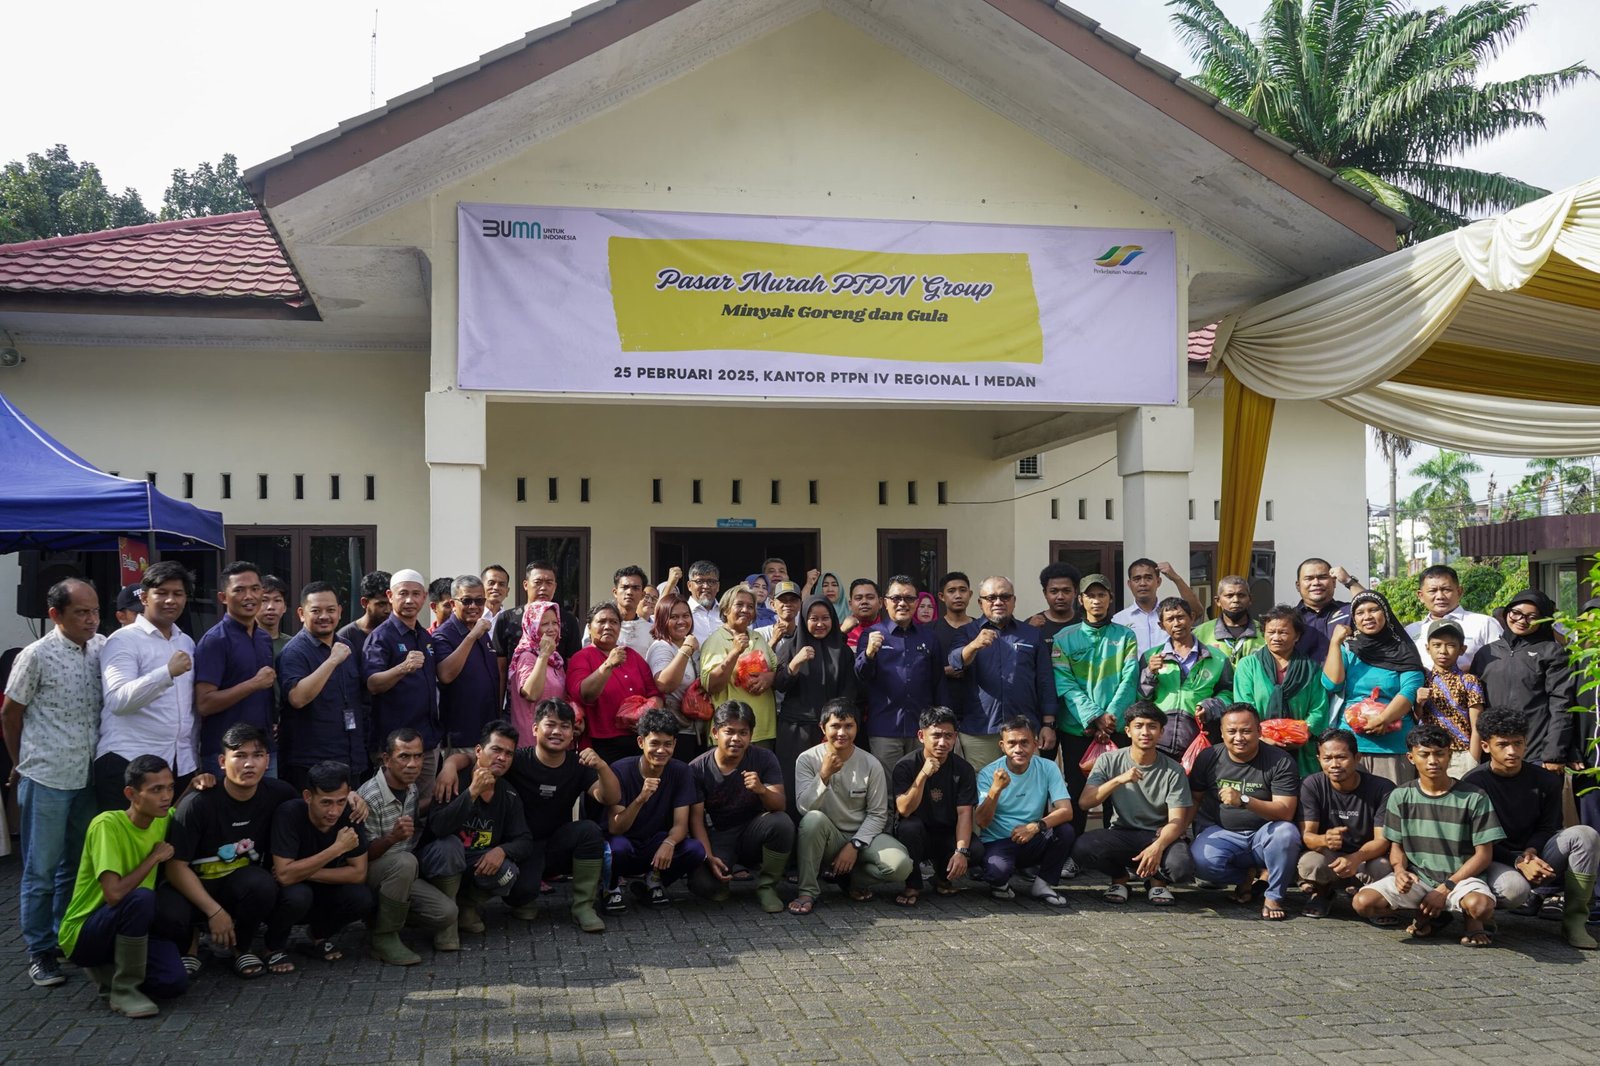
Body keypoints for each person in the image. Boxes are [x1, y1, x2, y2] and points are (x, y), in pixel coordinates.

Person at [3, 577, 106, 987]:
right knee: (40, 870)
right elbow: (10, 713)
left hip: (88, 777)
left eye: (95, 611)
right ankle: (40, 950)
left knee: (76, 866)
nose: (91, 620)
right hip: (46, 775)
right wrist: (20, 763)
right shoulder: (35, 655)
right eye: (81, 613)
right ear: (55, 615)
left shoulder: (101, 648)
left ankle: (65, 934)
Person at [157, 723, 304, 978]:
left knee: (262, 885)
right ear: (222, 762)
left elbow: (314, 806)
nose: (249, 764)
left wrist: (351, 799)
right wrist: (215, 912)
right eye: (240, 756)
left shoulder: (279, 793)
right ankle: (189, 947)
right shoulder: (197, 803)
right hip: (195, 887)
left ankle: (241, 948)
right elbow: (175, 868)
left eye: (257, 755)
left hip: (238, 885)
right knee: (168, 909)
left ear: (267, 760)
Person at [58, 755, 194, 1017]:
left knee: (173, 983)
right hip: (84, 932)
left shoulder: (160, 818)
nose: (166, 796)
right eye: (156, 790)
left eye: (170, 788)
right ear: (131, 794)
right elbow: (114, 894)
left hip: (130, 924)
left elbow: (177, 809)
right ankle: (124, 990)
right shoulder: (106, 824)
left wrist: (194, 785)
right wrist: (153, 858)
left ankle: (108, 969)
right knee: (141, 898)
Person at [1352, 724, 1500, 946]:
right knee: (1363, 903)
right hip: (1419, 877)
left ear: (1449, 755)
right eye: (1424, 754)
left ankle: (1471, 921)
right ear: (1411, 758)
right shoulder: (1400, 795)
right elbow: (1397, 847)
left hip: (1461, 880)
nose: (1433, 761)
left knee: (1481, 907)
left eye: (1439, 754)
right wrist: (1400, 871)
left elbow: (1483, 856)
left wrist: (1445, 888)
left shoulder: (1474, 797)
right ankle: (1432, 914)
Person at [1463, 708, 1599, 948]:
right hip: (1494, 858)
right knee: (1515, 891)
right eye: (1503, 744)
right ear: (1486, 746)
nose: (1512, 751)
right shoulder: (1473, 784)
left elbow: (1549, 827)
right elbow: (1475, 842)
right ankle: (1484, 913)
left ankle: (1575, 921)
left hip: (1536, 854)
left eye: (1518, 743)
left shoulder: (1546, 780)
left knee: (1585, 835)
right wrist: (1518, 861)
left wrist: (1531, 852)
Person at [789, 699, 912, 914]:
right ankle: (807, 891)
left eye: (848, 726)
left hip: (864, 837)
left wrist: (854, 845)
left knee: (901, 866)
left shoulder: (871, 763)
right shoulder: (807, 759)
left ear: (857, 727)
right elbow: (804, 808)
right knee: (812, 820)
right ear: (823, 728)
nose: (842, 733)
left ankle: (850, 881)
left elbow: (877, 814)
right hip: (827, 837)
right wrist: (824, 775)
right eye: (835, 726)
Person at [96, 561, 199, 811]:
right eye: (161, 593)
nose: (170, 600)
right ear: (144, 597)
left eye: (178, 593)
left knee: (170, 836)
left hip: (178, 764)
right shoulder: (123, 640)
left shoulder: (186, 642)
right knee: (124, 836)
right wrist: (166, 673)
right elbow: (117, 700)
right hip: (128, 763)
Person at [420, 720, 538, 936]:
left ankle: (466, 906)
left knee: (508, 872)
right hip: (440, 863)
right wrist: (471, 793)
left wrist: (502, 851)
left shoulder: (509, 794)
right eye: (496, 750)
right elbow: (438, 827)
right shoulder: (452, 780)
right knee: (448, 846)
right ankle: (446, 924)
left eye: (508, 754)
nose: (502, 757)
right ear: (478, 751)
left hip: (475, 863)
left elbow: (524, 839)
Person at [1072, 701, 1195, 906]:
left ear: (1161, 732)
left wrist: (1157, 847)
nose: (1145, 732)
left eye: (1152, 726)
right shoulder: (1108, 760)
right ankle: (1120, 878)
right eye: (1139, 726)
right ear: (1128, 731)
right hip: (1122, 833)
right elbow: (1085, 803)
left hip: (1157, 834)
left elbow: (1177, 821)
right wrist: (1118, 780)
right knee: (1083, 847)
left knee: (1181, 867)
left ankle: (1157, 881)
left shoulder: (1174, 770)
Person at [1188, 704, 1302, 921]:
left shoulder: (1280, 760)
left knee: (1286, 833)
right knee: (1200, 862)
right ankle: (1245, 877)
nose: (1239, 738)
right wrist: (1174, 830)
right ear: (1222, 733)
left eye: (1246, 731)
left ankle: (1274, 896)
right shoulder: (1209, 757)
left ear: (1259, 731)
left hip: (1264, 834)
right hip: (1222, 831)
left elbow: (1286, 812)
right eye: (1231, 731)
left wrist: (1244, 800)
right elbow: (1194, 799)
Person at [356, 728, 457, 961]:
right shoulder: (369, 797)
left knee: (447, 913)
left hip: (403, 875)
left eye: (418, 756)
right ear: (386, 759)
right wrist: (392, 838)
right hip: (370, 875)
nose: (413, 764)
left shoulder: (410, 787)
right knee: (405, 861)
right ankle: (383, 936)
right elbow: (362, 856)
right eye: (404, 756)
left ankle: (384, 917)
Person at [1051, 572, 1140, 838]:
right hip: (1077, 728)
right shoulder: (1064, 638)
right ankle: (1074, 848)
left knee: (1118, 789)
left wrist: (1110, 716)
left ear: (1110, 598)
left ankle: (1115, 847)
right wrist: (1093, 716)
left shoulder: (1126, 636)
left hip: (1116, 727)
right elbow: (1064, 682)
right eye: (1091, 596)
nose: (1096, 600)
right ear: (1081, 600)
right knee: (1077, 788)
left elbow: (1130, 679)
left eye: (1102, 595)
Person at [687, 701, 793, 912]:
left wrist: (762, 790)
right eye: (729, 732)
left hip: (754, 830)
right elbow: (695, 820)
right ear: (715, 733)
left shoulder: (764, 758)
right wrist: (709, 857)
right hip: (719, 835)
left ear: (751, 735)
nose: (736, 738)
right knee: (704, 885)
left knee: (782, 823)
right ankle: (723, 879)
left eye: (743, 733)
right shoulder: (697, 768)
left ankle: (767, 887)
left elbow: (780, 805)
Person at [269, 760, 374, 963]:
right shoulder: (289, 814)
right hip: (289, 894)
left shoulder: (352, 813)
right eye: (326, 803)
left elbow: (358, 874)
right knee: (298, 896)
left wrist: (300, 872)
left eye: (340, 801)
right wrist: (337, 849)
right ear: (308, 796)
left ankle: (319, 935)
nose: (334, 811)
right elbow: (284, 878)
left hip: (322, 885)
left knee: (362, 898)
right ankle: (272, 946)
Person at [948, 576, 1054, 771]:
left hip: (1024, 729)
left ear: (1014, 601)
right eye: (991, 598)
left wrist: (1048, 724)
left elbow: (1045, 680)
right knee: (984, 786)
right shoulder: (967, 632)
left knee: (1026, 785)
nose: (998, 602)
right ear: (980, 602)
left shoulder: (1031, 634)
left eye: (1005, 597)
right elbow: (955, 662)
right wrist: (974, 645)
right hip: (980, 730)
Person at [605, 709, 707, 911]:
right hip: (625, 841)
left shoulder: (681, 771)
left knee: (695, 850)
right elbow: (616, 828)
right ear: (641, 742)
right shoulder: (619, 770)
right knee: (617, 848)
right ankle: (610, 887)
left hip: (655, 842)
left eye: (667, 744)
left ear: (675, 744)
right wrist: (640, 799)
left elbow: (681, 824)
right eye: (655, 743)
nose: (661, 750)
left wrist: (669, 843)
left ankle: (653, 881)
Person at [1322, 590, 1426, 785]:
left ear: (1385, 613)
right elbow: (1332, 683)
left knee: (1390, 800)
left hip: (1393, 745)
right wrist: (1335, 643)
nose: (1367, 616)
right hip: (1349, 746)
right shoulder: (1348, 648)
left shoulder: (1403, 651)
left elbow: (1409, 690)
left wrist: (1383, 719)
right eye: (1360, 613)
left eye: (1374, 610)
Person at [1470, 589, 1577, 771]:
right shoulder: (1486, 653)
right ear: (1507, 612)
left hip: (1536, 753)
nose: (1522, 620)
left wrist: (1554, 752)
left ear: (1544, 620)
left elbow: (1562, 704)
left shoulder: (1551, 652)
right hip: (1493, 753)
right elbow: (1474, 703)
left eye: (1532, 617)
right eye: (1516, 613)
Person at [773, 595, 858, 820]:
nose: (820, 624)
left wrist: (834, 725)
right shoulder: (792, 647)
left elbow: (849, 692)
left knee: (831, 785)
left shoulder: (843, 651)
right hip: (795, 731)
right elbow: (778, 684)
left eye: (825, 618)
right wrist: (795, 664)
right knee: (794, 786)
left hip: (830, 732)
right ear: (804, 620)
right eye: (813, 619)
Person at [974, 717, 1074, 907]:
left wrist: (1035, 826)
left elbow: (1066, 811)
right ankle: (1000, 884)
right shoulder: (988, 773)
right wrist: (995, 790)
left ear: (1035, 744)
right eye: (1012, 743)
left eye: (1024, 742)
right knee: (997, 873)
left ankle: (1042, 884)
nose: (1018, 749)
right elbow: (981, 822)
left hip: (1032, 837)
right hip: (998, 841)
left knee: (1065, 831)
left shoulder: (1048, 767)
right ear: (1002, 746)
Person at [277, 581, 367, 791]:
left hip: (350, 756)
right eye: (316, 611)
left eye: (331, 610)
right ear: (301, 614)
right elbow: (297, 698)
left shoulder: (345, 646)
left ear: (340, 612)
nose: (324, 616)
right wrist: (332, 661)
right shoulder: (294, 651)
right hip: (312, 763)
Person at [1296, 729, 1395, 918]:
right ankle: (1322, 893)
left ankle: (1369, 898)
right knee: (1310, 863)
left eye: (1341, 757)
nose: (1334, 764)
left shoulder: (1383, 788)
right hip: (1329, 855)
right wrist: (1324, 840)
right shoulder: (1311, 785)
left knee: (1382, 867)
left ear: (1357, 758)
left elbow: (1382, 841)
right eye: (1327, 758)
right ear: (1319, 759)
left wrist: (1356, 858)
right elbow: (1307, 835)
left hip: (1366, 857)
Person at [365, 569, 442, 802]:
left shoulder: (425, 636)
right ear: (390, 596)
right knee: (392, 808)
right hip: (395, 747)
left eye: (416, 594)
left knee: (423, 806)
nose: (409, 600)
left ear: (424, 597)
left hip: (426, 743)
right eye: (403, 593)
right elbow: (372, 684)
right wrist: (403, 667)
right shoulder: (381, 636)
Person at [891, 706, 980, 905]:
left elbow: (965, 813)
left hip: (947, 833)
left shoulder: (963, 769)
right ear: (921, 736)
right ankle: (913, 885)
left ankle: (941, 878)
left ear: (955, 737)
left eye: (948, 736)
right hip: (917, 835)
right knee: (909, 827)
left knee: (975, 849)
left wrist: (961, 852)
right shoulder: (905, 765)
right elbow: (904, 810)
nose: (942, 742)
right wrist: (923, 775)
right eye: (936, 735)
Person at [194, 561, 277, 772]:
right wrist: (253, 684)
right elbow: (204, 703)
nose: (249, 596)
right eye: (239, 590)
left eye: (255, 589)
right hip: (226, 755)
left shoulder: (263, 638)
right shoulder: (214, 641)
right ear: (223, 597)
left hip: (264, 750)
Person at [1230, 605, 1331, 777]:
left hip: (1301, 749)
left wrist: (1301, 734)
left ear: (1297, 636)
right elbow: (1244, 707)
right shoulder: (1248, 665)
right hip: (1258, 745)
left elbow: (1318, 708)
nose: (1276, 637)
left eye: (1283, 632)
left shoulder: (1311, 668)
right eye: (1271, 632)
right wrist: (1263, 737)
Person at [856, 575, 941, 770]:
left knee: (923, 779)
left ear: (916, 602)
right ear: (885, 602)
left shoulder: (929, 637)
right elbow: (861, 677)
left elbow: (938, 682)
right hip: (885, 727)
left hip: (922, 727)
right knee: (887, 784)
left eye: (909, 598)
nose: (902, 603)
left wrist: (941, 723)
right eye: (896, 598)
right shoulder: (871, 634)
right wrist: (869, 654)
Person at [1139, 597, 1232, 763]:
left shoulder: (1217, 658)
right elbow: (1140, 699)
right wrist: (1149, 673)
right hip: (1159, 741)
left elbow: (1228, 694)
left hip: (1201, 739)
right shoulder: (1150, 657)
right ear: (1161, 625)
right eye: (1170, 619)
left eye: (1181, 617)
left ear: (1192, 617)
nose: (1177, 623)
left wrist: (1210, 706)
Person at [568, 602, 663, 764]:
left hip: (638, 739)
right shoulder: (582, 657)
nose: (608, 626)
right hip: (601, 742)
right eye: (601, 621)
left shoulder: (631, 655)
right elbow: (584, 695)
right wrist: (608, 665)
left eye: (613, 622)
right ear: (589, 627)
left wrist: (646, 716)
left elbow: (655, 693)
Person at [700, 586, 777, 751]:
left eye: (750, 606)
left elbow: (777, 668)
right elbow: (711, 685)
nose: (745, 610)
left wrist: (770, 677)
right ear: (726, 610)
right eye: (739, 605)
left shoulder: (758, 637)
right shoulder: (715, 640)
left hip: (763, 730)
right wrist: (735, 652)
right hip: (730, 733)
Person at [492, 560, 583, 697]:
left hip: (556, 701)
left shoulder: (568, 621)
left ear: (555, 586)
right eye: (538, 582)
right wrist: (498, 706)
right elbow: (501, 668)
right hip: (519, 698)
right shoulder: (507, 619)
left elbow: (572, 666)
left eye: (549, 583)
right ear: (525, 585)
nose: (543, 588)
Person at [432, 574, 499, 754]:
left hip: (488, 734)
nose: (473, 606)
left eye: (479, 601)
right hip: (461, 737)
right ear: (453, 604)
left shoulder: (481, 631)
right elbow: (445, 675)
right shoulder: (443, 635)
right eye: (467, 601)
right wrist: (471, 636)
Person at [1414, 619, 1486, 778]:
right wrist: (1418, 703)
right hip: (1427, 752)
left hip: (1461, 754)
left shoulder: (1469, 681)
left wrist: (1473, 759)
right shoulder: (1421, 679)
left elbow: (1477, 723)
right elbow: (1414, 719)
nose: (1443, 651)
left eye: (1451, 645)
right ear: (1427, 648)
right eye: (1437, 645)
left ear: (1462, 649)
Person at [1403, 565, 1502, 668]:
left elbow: (1502, 663)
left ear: (1459, 592)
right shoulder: (1410, 631)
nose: (1440, 596)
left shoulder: (1485, 624)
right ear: (1421, 596)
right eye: (1432, 591)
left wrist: (1470, 673)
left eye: (1446, 590)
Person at [646, 593, 703, 762]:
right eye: (674, 617)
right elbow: (664, 684)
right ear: (662, 620)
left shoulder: (691, 644)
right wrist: (685, 650)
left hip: (695, 730)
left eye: (686, 616)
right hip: (672, 733)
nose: (681, 621)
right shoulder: (662, 647)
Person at [1113, 559, 1203, 655]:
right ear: (1129, 584)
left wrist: (1176, 579)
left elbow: (1197, 611)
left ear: (1158, 581)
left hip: (1171, 664)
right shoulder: (1119, 620)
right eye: (1137, 579)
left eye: (1148, 578)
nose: (1142, 583)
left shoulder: (1171, 614)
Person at [507, 600, 564, 739]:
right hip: (532, 739)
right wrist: (543, 655)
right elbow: (531, 694)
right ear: (531, 627)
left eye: (555, 623)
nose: (552, 628)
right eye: (544, 624)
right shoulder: (527, 656)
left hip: (554, 736)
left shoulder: (555, 658)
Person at [1293, 558, 1363, 663]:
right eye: (1309, 578)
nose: (1316, 583)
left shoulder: (1350, 612)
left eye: (1322, 577)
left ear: (1334, 582)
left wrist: (1349, 581)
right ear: (1298, 586)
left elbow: (1372, 605)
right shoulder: (1290, 619)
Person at [583, 566, 654, 656]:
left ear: (642, 595)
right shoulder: (597, 625)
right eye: (625, 587)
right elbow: (586, 654)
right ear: (615, 592)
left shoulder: (650, 631)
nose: (629, 592)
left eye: (635, 588)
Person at [1194, 576, 1264, 666]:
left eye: (1241, 595)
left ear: (1250, 599)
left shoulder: (1265, 631)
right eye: (1229, 596)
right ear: (1218, 601)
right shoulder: (1200, 633)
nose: (1236, 600)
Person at [932, 571, 976, 714]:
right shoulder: (930, 630)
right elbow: (920, 669)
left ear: (970, 594)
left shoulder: (981, 630)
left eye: (963, 590)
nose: (958, 595)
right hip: (940, 709)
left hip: (977, 710)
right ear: (941, 596)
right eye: (951, 591)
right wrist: (944, 671)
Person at [1025, 561, 1081, 642]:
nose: (1060, 597)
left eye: (1066, 591)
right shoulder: (1032, 624)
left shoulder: (1085, 623)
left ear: (1075, 592)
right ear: (1045, 593)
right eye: (1054, 591)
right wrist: (1029, 632)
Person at [684, 560, 724, 640]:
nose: (706, 586)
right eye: (699, 581)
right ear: (689, 586)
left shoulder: (727, 612)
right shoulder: (680, 613)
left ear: (718, 586)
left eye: (711, 581)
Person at [756, 580, 803, 647]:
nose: (788, 604)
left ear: (800, 604)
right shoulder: (761, 634)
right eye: (783, 599)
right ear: (773, 605)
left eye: (793, 600)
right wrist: (774, 640)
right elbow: (757, 654)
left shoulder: (805, 636)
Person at [257, 575, 291, 663]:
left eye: (277, 600)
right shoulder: (242, 642)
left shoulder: (293, 644)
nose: (271, 607)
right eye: (264, 600)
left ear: (285, 607)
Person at [841, 578, 881, 650]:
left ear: (880, 603)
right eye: (858, 598)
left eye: (870, 597)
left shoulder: (890, 631)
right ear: (850, 604)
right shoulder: (840, 630)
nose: (864, 601)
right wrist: (841, 633)